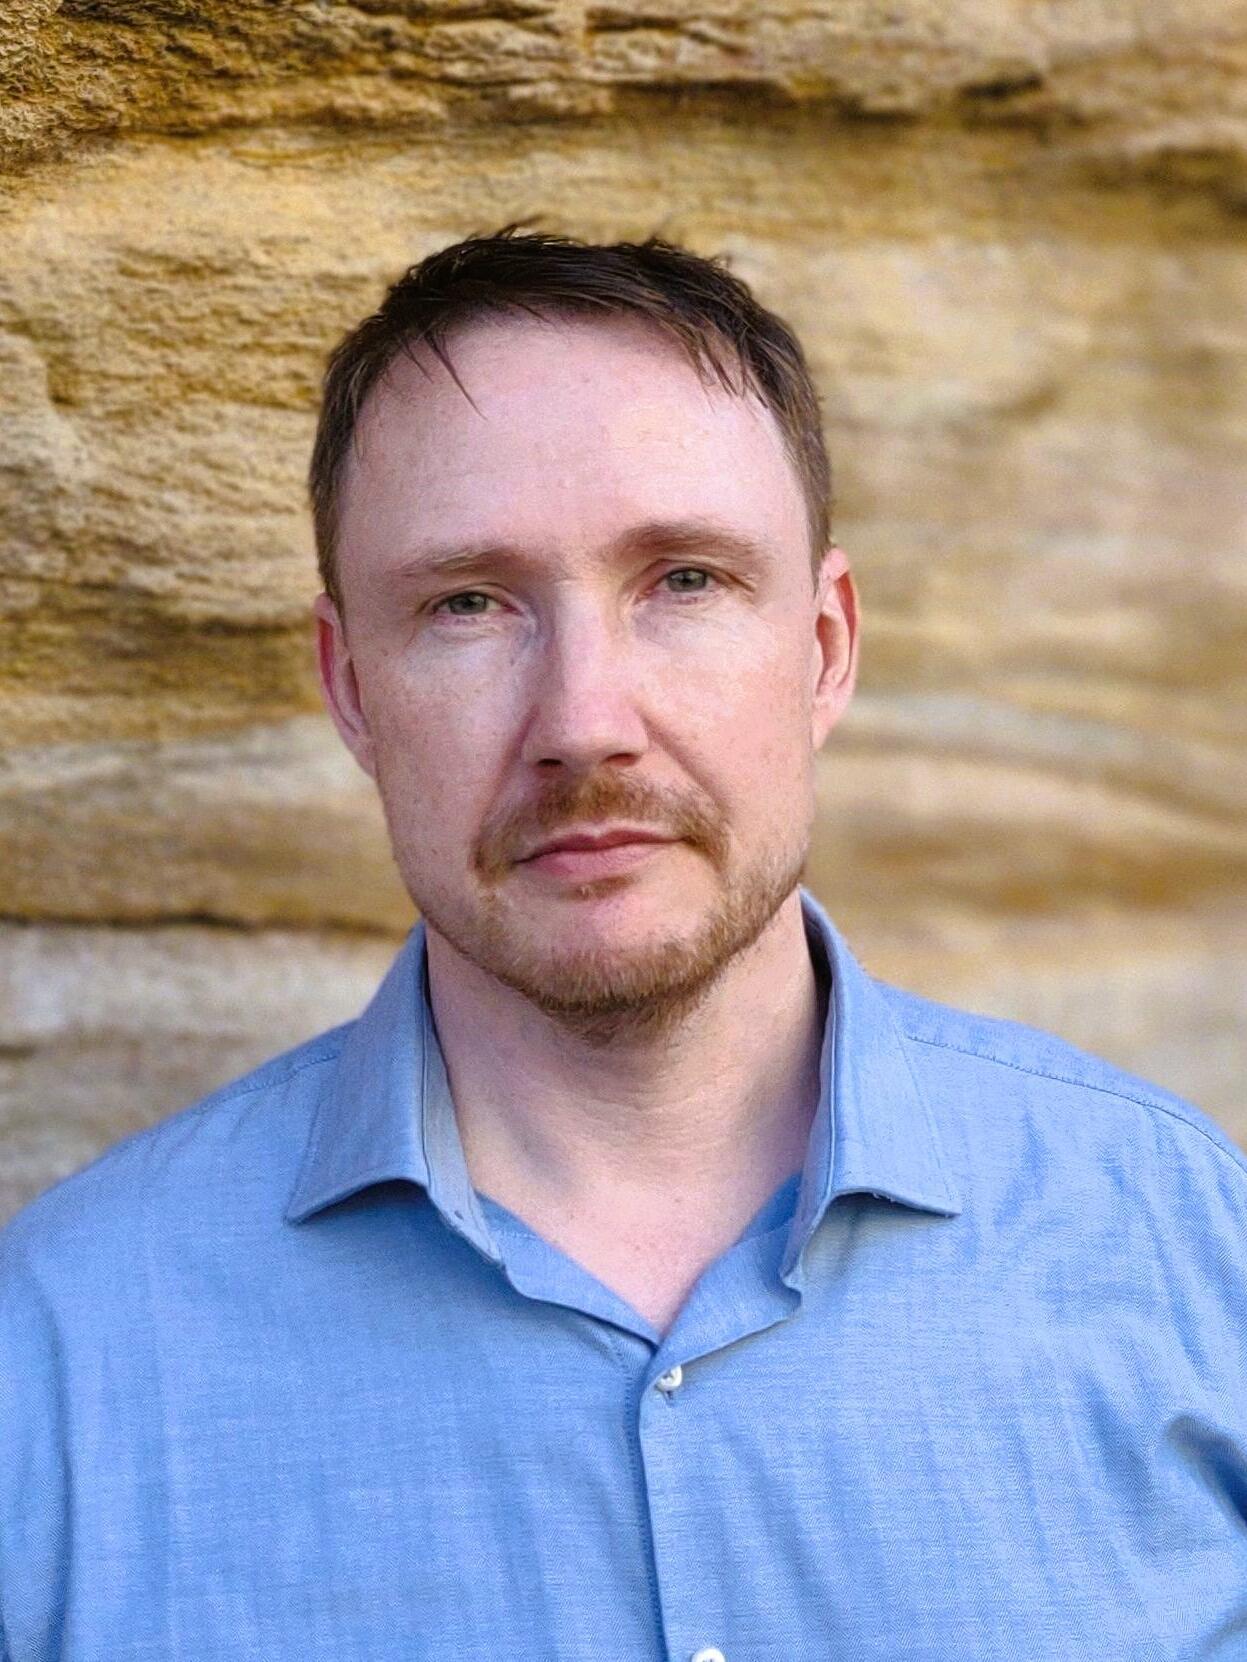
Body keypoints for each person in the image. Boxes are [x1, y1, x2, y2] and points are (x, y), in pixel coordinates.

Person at [1, 228, 1243, 1661]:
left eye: (687, 580)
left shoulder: (1188, 1250)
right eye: (469, 603)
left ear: (827, 646)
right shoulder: (61, 1365)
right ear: (350, 688)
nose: (586, 718)